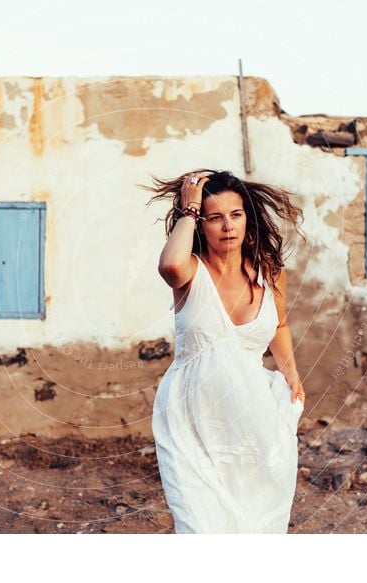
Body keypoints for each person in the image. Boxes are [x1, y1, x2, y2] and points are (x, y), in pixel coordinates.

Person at [142, 169, 307, 533]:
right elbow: (168, 264)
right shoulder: (189, 271)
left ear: (248, 217)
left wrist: (290, 371)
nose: (228, 226)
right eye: (214, 217)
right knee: (200, 528)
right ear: (200, 224)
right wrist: (188, 209)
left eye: (235, 215)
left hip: (253, 422)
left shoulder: (269, 270)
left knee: (253, 529)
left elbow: (278, 325)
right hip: (190, 420)